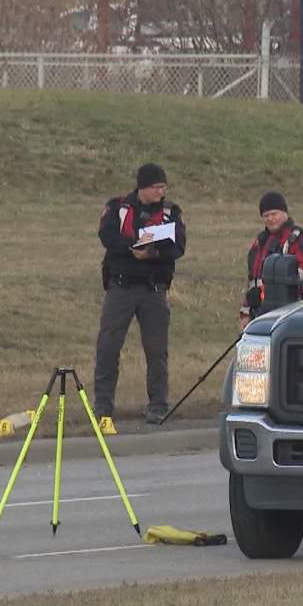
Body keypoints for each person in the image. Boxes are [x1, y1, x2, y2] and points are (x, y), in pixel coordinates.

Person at [93, 163, 186, 426]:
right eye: (156, 187)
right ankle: (102, 406)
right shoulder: (118, 207)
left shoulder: (171, 212)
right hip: (121, 287)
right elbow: (108, 236)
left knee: (157, 351)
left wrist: (152, 253)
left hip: (153, 289)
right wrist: (134, 245)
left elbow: (177, 246)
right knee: (108, 347)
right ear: (142, 187)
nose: (161, 192)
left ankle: (158, 405)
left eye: (164, 187)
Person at [239, 191, 303, 330]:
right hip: (261, 314)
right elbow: (253, 281)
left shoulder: (300, 239)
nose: (270, 219)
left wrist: (269, 289)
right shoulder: (259, 243)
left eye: (274, 214)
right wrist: (245, 313)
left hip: (293, 314)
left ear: (284, 213)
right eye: (266, 216)